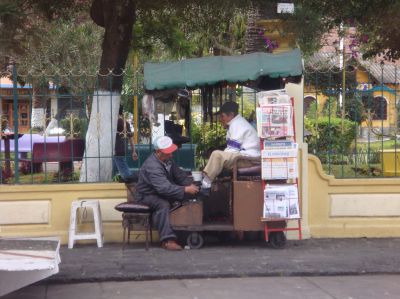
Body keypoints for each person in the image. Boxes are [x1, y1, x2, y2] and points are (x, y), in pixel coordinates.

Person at [135, 136, 199, 250]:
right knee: (162, 204)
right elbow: (163, 188)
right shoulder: (152, 166)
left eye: (171, 152)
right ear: (158, 152)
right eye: (168, 153)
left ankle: (184, 233)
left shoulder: (168, 160)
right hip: (146, 196)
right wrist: (185, 189)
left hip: (159, 192)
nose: (171, 155)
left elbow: (179, 176)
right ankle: (167, 240)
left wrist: (192, 184)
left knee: (186, 199)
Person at [200, 101, 260, 195]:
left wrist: (220, 159)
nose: (220, 119)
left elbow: (232, 150)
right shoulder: (236, 123)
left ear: (231, 115)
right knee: (218, 155)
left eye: (222, 116)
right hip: (244, 156)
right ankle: (207, 179)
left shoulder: (237, 124)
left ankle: (205, 185)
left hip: (249, 159)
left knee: (217, 155)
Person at [114, 105, 138, 183]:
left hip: (116, 148)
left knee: (124, 171)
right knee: (122, 166)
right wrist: (133, 151)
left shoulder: (115, 122)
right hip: (123, 148)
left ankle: (133, 182)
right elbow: (131, 138)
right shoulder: (126, 122)